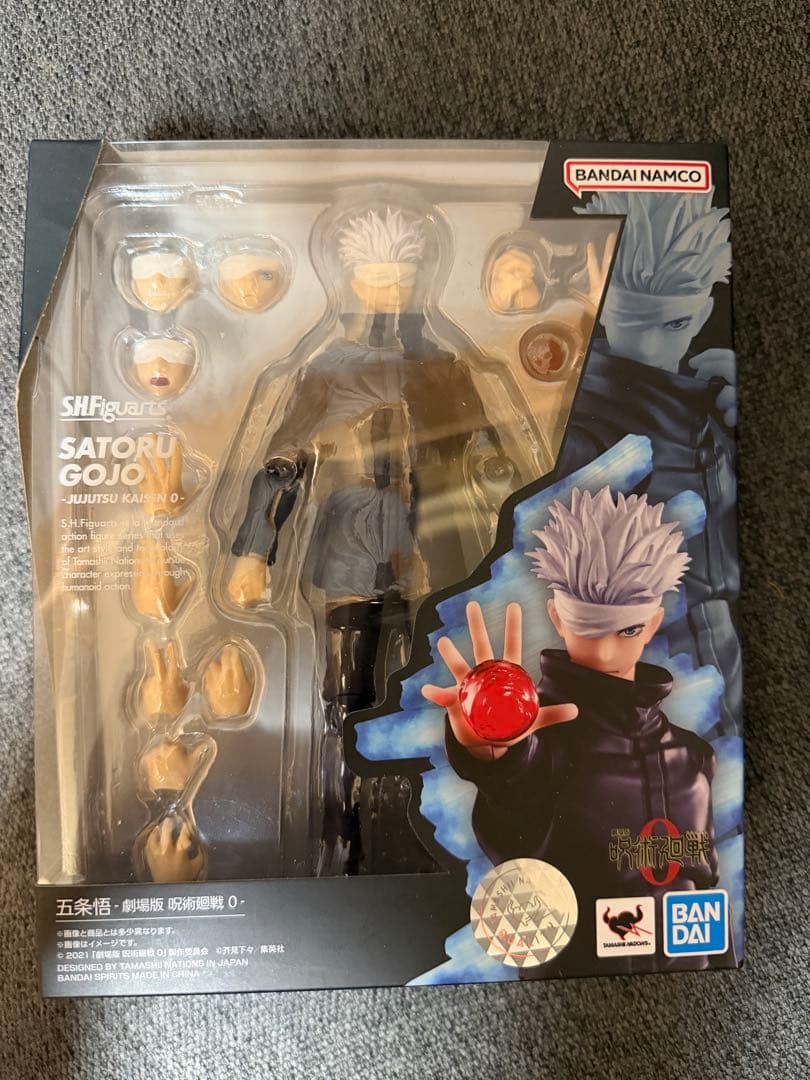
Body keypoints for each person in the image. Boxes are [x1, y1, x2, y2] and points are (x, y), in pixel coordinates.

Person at [226, 206, 519, 874]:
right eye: (375, 278)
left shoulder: (444, 367)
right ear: (353, 282)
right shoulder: (326, 369)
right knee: (345, 699)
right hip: (350, 542)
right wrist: (254, 548)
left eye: (400, 278)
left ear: (418, 281)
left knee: (439, 692)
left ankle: (437, 837)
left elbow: (490, 454)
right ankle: (341, 836)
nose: (388, 293)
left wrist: (507, 491)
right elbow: (282, 461)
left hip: (434, 541)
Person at [423, 486, 728, 976]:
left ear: (652, 624)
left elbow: (707, 899)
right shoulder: (544, 744)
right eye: (588, 627)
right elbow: (513, 787)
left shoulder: (693, 757)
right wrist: (493, 746)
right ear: (557, 618)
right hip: (575, 999)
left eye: (627, 630)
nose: (605, 652)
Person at [562, 191, 740, 734]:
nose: (648, 352)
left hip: (719, 651)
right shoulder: (576, 421)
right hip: (637, 667)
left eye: (674, 325)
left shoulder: (708, 403)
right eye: (629, 321)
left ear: (703, 312)